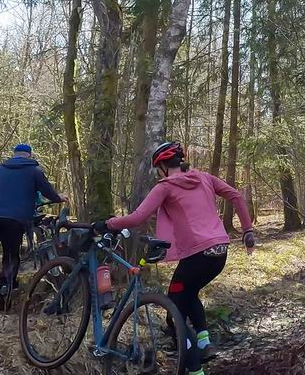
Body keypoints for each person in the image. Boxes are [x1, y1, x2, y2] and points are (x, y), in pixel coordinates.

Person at [107, 141, 255, 374]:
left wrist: (110, 223)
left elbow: (138, 217)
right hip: (219, 252)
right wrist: (247, 230)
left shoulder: (164, 187)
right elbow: (235, 196)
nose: (159, 174)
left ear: (163, 166)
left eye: (158, 169)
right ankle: (204, 343)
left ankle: (195, 369)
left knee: (174, 309)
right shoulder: (204, 178)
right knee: (187, 292)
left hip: (197, 254)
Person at [0, 144, 68, 309]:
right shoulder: (34, 171)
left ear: (14, 154)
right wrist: (59, 198)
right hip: (14, 221)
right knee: (10, 258)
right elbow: (48, 192)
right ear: (29, 155)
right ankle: (4, 297)